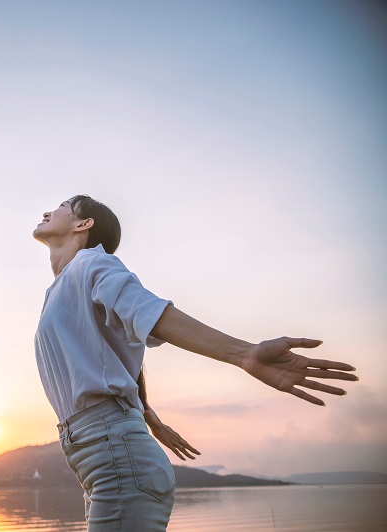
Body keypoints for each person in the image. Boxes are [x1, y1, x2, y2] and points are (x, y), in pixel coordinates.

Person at [32, 195, 358, 531]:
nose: (48, 210)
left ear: (84, 224)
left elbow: (147, 312)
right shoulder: (59, 288)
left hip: (114, 455)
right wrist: (148, 415)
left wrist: (244, 353)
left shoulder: (92, 263)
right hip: (98, 456)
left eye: (63, 205)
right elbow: (110, 353)